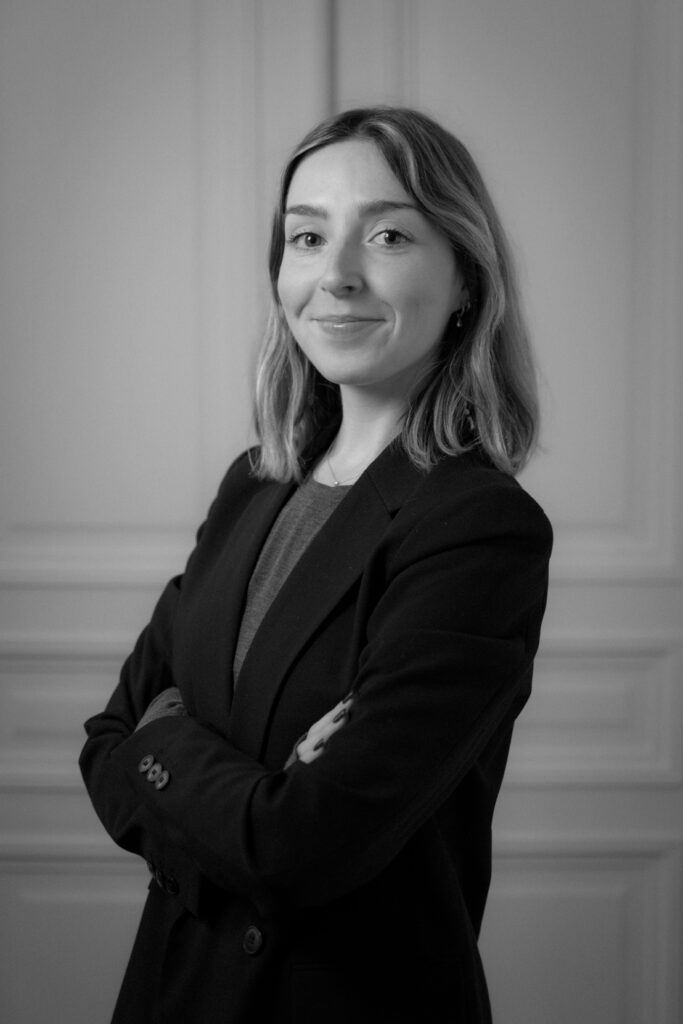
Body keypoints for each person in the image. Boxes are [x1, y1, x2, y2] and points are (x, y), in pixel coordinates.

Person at [79, 105, 552, 1024]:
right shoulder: (253, 485)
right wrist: (250, 785)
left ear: (464, 276)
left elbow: (299, 847)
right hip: (175, 996)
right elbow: (105, 740)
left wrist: (164, 743)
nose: (335, 275)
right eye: (306, 237)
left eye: (387, 235)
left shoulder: (478, 526)